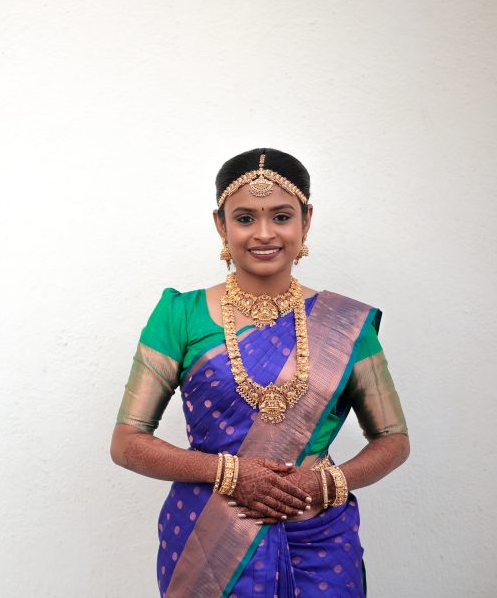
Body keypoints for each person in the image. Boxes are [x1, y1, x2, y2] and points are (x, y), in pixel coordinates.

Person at [110, 149, 409, 597]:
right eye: (245, 218)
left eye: (281, 217)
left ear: (306, 221)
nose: (264, 233)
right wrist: (229, 473)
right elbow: (127, 442)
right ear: (221, 225)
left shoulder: (346, 324)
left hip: (320, 540)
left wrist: (325, 483)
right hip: (207, 543)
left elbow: (393, 440)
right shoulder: (179, 315)